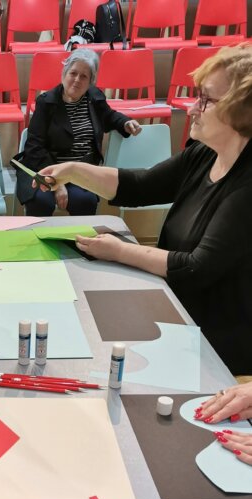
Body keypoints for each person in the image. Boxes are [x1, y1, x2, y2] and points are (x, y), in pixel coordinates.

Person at [37, 44, 252, 376]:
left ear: (242, 112)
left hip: (218, 351)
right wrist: (73, 170)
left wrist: (120, 250)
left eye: (206, 100)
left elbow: (196, 267)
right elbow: (139, 185)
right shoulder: (205, 154)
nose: (193, 108)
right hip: (179, 317)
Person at [15, 48, 141, 217]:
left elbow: (109, 116)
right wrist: (56, 183)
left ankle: (81, 235)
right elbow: (34, 147)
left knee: (85, 200)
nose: (77, 80)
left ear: (90, 82)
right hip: (46, 168)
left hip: (81, 172)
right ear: (64, 73)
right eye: (73, 73)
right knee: (41, 201)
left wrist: (125, 122)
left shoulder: (94, 97)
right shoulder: (47, 102)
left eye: (83, 76)